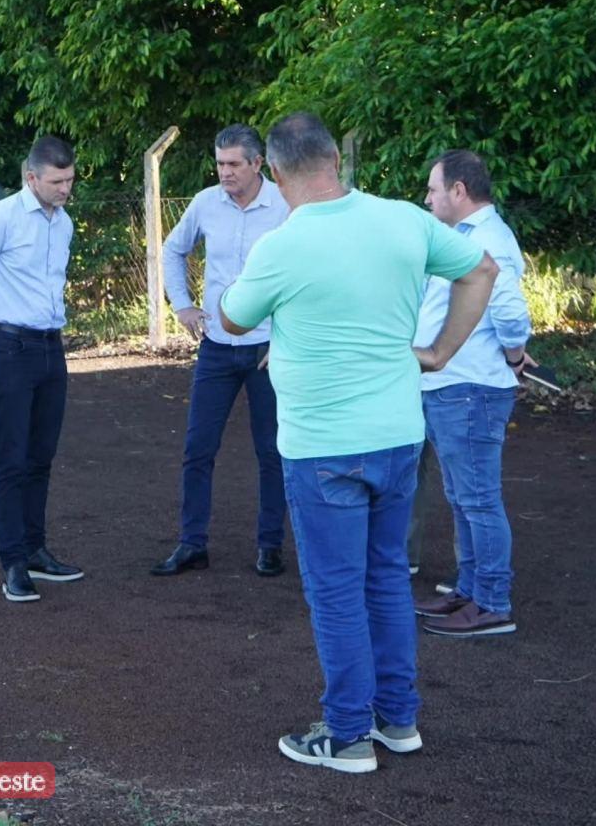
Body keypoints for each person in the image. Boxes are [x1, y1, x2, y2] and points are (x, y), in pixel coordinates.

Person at [218, 113, 497, 773]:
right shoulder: (404, 219)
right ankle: (397, 719)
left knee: (337, 590)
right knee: (385, 580)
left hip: (322, 447)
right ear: (336, 162)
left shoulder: (282, 246)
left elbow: (233, 317)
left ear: (276, 173)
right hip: (397, 435)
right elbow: (480, 270)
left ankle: (346, 737)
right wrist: (440, 352)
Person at [151, 124, 291, 578]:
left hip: (268, 349)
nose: (224, 172)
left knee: (273, 450)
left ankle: (270, 546)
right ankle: (193, 543)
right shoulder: (205, 203)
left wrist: (290, 336)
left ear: (257, 164)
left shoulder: (287, 207)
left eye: (233, 164)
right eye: (219, 164)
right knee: (197, 448)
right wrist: (183, 305)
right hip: (215, 346)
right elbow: (173, 251)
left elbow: (305, 274)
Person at [0, 136, 82, 602]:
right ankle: (12, 562)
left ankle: (35, 550)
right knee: (10, 456)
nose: (66, 188)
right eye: (56, 181)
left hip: (50, 346)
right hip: (6, 344)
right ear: (32, 178)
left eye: (69, 179)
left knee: (41, 454)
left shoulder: (62, 223)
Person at [412, 150, 532, 637]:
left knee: (478, 498)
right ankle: (470, 590)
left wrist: (513, 355)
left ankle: (492, 602)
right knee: (463, 496)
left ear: (459, 191)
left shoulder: (488, 240)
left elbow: (510, 311)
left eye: (434, 189)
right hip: (452, 384)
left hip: (470, 386)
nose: (428, 198)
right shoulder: (464, 237)